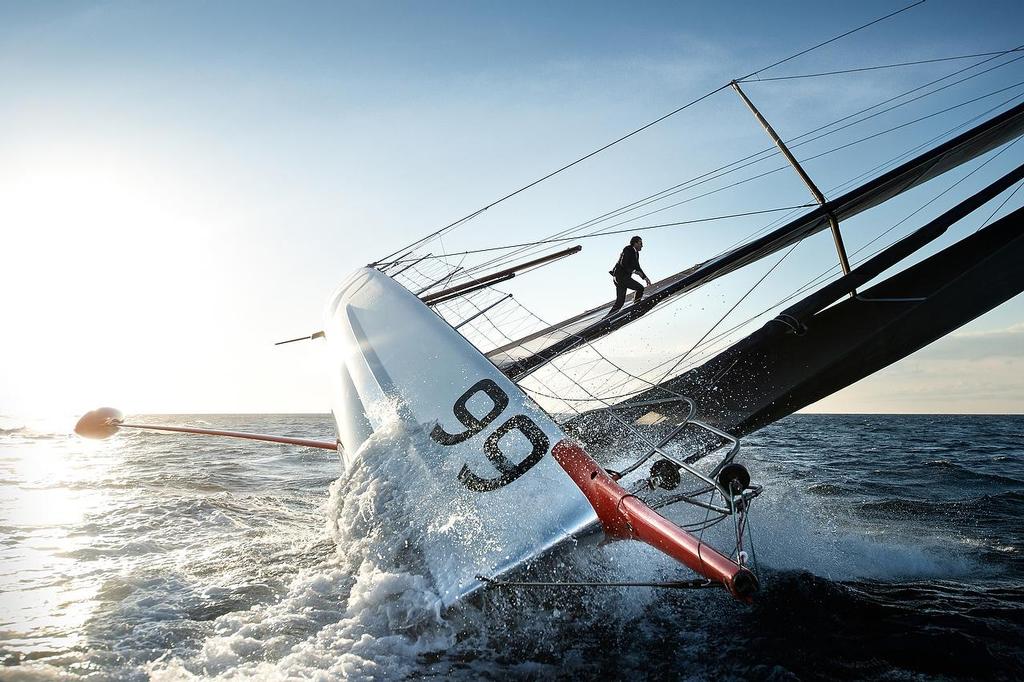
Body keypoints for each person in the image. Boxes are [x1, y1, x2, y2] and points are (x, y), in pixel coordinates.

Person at [607, 236, 651, 316]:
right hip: (620, 277)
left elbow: (637, 266)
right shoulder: (628, 249)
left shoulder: (636, 253)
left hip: (621, 278)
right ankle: (636, 307)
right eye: (640, 243)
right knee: (640, 288)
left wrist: (645, 277)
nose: (642, 245)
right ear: (635, 243)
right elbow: (623, 263)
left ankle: (607, 318)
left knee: (620, 302)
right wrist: (634, 271)